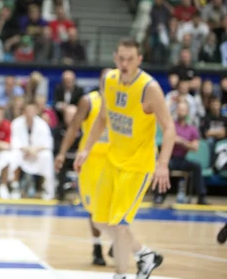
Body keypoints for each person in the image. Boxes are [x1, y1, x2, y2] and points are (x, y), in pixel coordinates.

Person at [74, 38, 176, 279]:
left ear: (139, 60)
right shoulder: (109, 80)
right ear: (115, 58)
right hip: (112, 160)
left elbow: (169, 127)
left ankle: (120, 274)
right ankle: (144, 255)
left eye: (130, 59)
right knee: (99, 221)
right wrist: (86, 149)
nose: (125, 63)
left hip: (138, 165)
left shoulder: (148, 88)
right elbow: (102, 118)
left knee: (120, 225)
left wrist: (163, 164)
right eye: (121, 58)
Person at [55, 68, 111, 266]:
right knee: (94, 209)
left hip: (116, 160)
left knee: (116, 205)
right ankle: (97, 247)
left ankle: (116, 238)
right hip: (91, 161)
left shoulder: (125, 101)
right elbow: (73, 127)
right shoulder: (89, 101)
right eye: (107, 78)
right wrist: (62, 153)